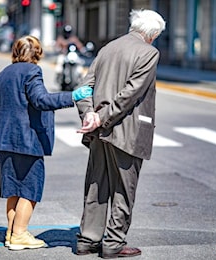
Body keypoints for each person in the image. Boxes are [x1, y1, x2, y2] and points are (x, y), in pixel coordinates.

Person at [74, 9, 166, 258]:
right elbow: (130, 95)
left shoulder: (107, 48)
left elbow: (83, 88)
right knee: (124, 190)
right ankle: (113, 243)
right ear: (153, 33)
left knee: (96, 185)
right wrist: (100, 118)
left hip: (99, 131)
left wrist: (89, 114)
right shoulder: (149, 53)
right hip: (128, 131)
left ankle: (87, 240)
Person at [0, 35, 93, 251]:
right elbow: (41, 100)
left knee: (13, 190)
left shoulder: (3, 74)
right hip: (26, 141)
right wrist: (73, 96)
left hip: (4, 140)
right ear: (37, 53)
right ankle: (19, 235)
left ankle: (11, 233)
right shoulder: (32, 71)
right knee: (30, 189)